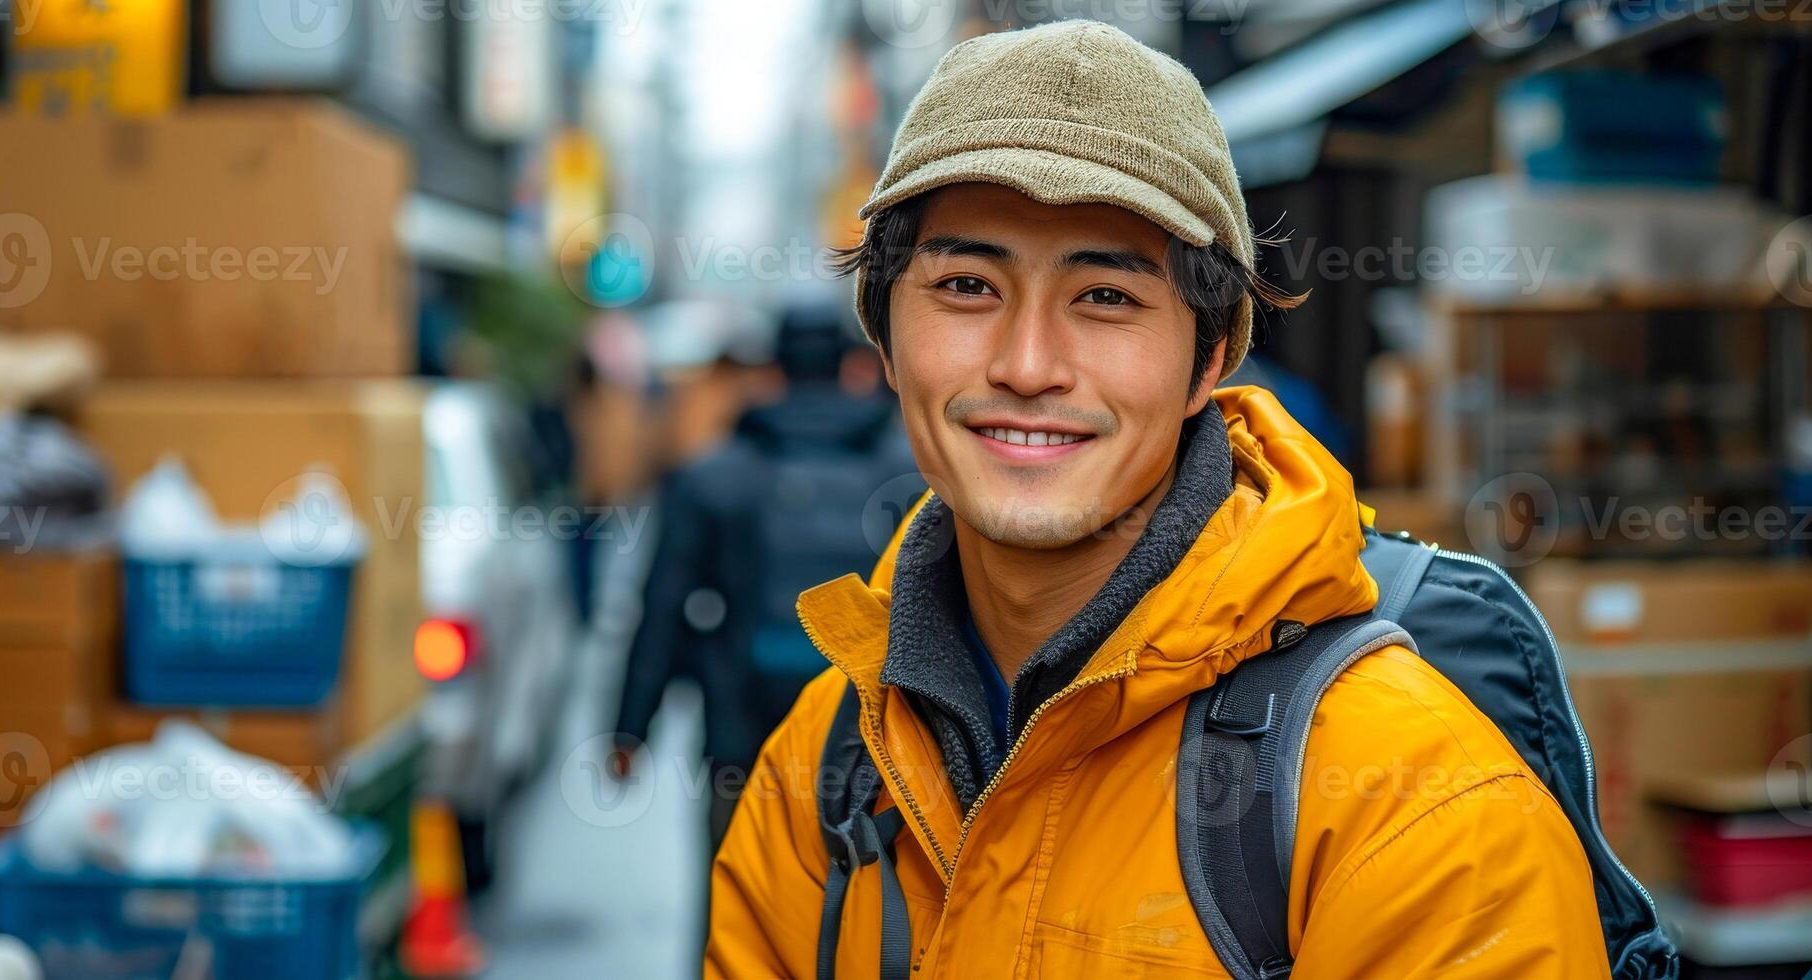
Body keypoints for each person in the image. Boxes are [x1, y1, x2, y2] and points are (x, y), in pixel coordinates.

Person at [707, 21, 1608, 977]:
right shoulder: (827, 762)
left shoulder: (1417, 806)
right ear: (884, 341)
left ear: (1206, 362)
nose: (1026, 366)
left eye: (1105, 297)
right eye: (968, 285)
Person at [613, 304, 915, 847]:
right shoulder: (909, 477)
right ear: (853, 367)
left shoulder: (714, 476)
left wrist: (631, 729)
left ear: (772, 373)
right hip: (878, 743)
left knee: (739, 901)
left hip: (741, 733)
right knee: (869, 914)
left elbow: (662, 607)